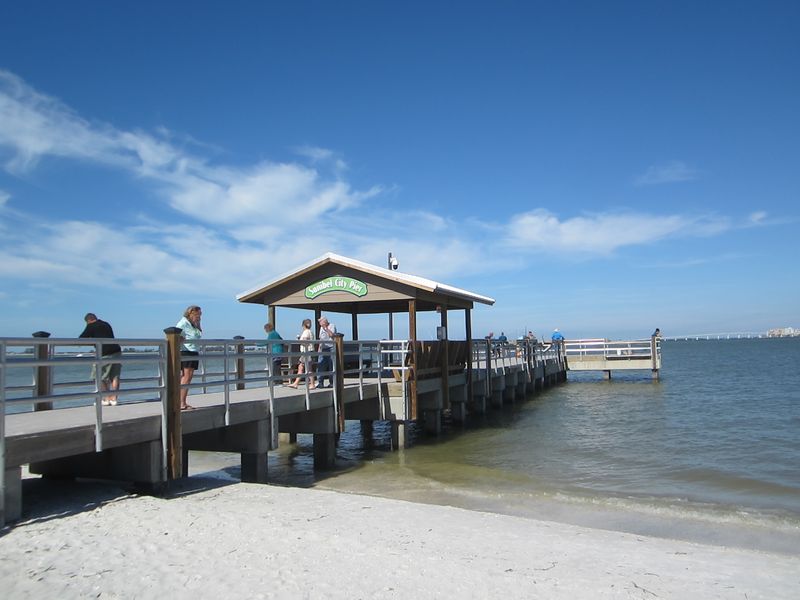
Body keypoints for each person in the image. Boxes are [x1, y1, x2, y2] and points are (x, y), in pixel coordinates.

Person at [79, 313, 122, 406]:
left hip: (104, 353)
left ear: (88, 321)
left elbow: (81, 339)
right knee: (115, 376)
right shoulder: (106, 324)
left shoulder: (91, 326)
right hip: (116, 351)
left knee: (98, 375)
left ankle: (107, 398)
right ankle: (114, 399)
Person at [176, 305, 202, 410]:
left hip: (193, 351)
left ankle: (182, 401)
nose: (199, 316)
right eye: (197, 314)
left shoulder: (193, 324)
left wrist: (197, 323)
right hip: (186, 352)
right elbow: (176, 336)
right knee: (186, 377)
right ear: (191, 313)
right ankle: (181, 402)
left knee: (188, 377)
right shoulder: (183, 323)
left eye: (200, 314)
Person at [288, 319, 315, 388]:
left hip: (306, 352)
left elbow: (305, 341)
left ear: (303, 325)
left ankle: (312, 384)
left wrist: (299, 340)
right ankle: (296, 383)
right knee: (301, 367)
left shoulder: (306, 332)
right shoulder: (311, 332)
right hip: (308, 351)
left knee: (308, 368)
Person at [317, 316, 337, 388]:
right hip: (323, 348)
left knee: (331, 365)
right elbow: (320, 338)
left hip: (331, 348)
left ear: (324, 321)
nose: (320, 324)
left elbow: (332, 335)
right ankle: (320, 382)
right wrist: (319, 348)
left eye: (320, 322)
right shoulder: (321, 328)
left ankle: (332, 382)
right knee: (321, 365)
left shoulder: (332, 326)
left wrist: (326, 328)